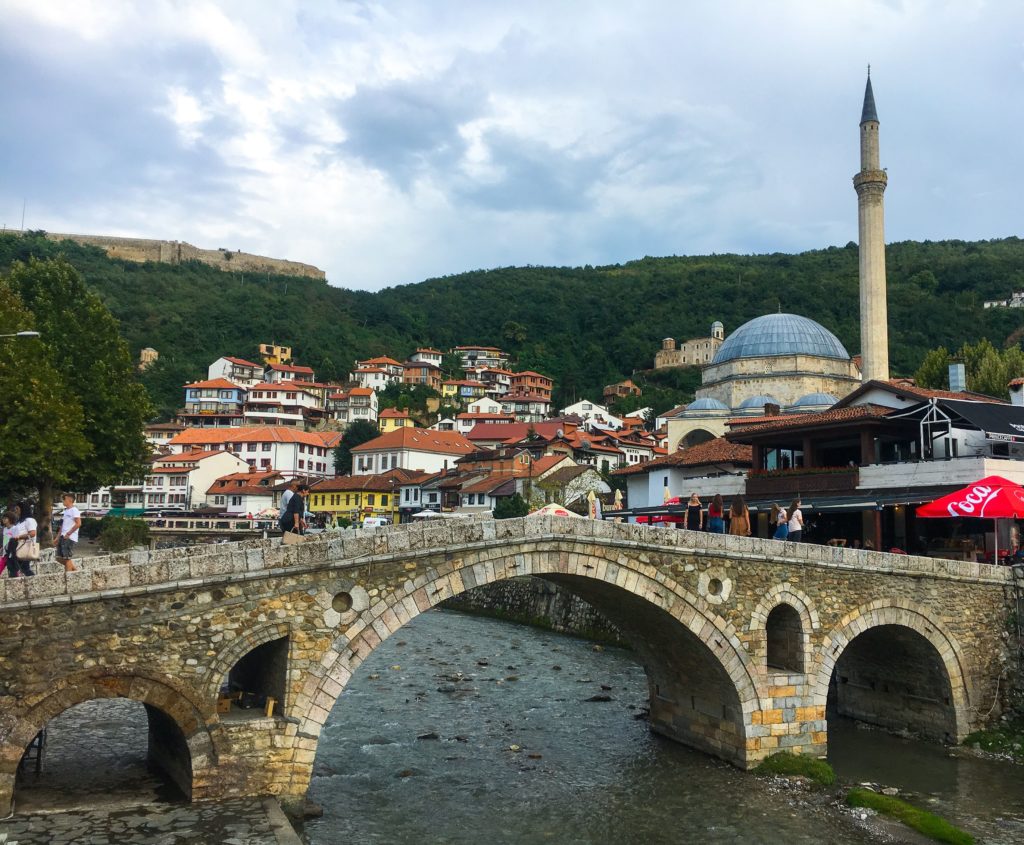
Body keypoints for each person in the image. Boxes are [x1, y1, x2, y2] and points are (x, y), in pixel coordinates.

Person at [10, 500, 38, 577]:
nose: (16, 511)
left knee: (25, 568)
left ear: (23, 509)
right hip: (17, 547)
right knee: (16, 567)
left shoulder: (29, 520)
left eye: (17, 509)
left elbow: (32, 533)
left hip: (26, 547)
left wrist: (19, 537)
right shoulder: (19, 521)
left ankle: (34, 580)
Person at [55, 492, 81, 572]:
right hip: (63, 536)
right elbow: (63, 526)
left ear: (70, 500)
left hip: (69, 537)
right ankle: (75, 571)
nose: (63, 501)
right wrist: (57, 537)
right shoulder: (66, 511)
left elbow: (78, 523)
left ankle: (68, 577)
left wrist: (69, 533)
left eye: (64, 499)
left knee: (66, 558)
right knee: (58, 558)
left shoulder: (74, 510)